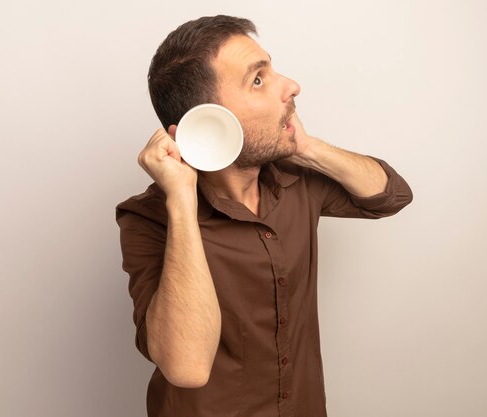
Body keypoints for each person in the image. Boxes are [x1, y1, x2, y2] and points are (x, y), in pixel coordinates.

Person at [115, 15, 413, 417]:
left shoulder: (295, 180)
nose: (291, 86)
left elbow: (390, 195)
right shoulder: (148, 218)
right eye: (258, 80)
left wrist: (306, 147)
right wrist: (182, 198)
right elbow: (186, 367)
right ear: (207, 122)